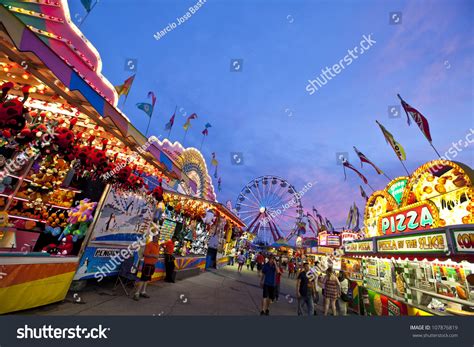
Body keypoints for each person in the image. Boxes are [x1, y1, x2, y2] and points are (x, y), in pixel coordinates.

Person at [134, 234, 160, 301]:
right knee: (143, 279)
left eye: (158, 238)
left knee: (147, 279)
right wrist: (154, 255)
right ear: (153, 238)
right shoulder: (149, 244)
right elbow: (145, 254)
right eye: (156, 238)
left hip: (152, 265)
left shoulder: (157, 245)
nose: (157, 239)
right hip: (147, 264)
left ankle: (143, 292)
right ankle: (136, 293)